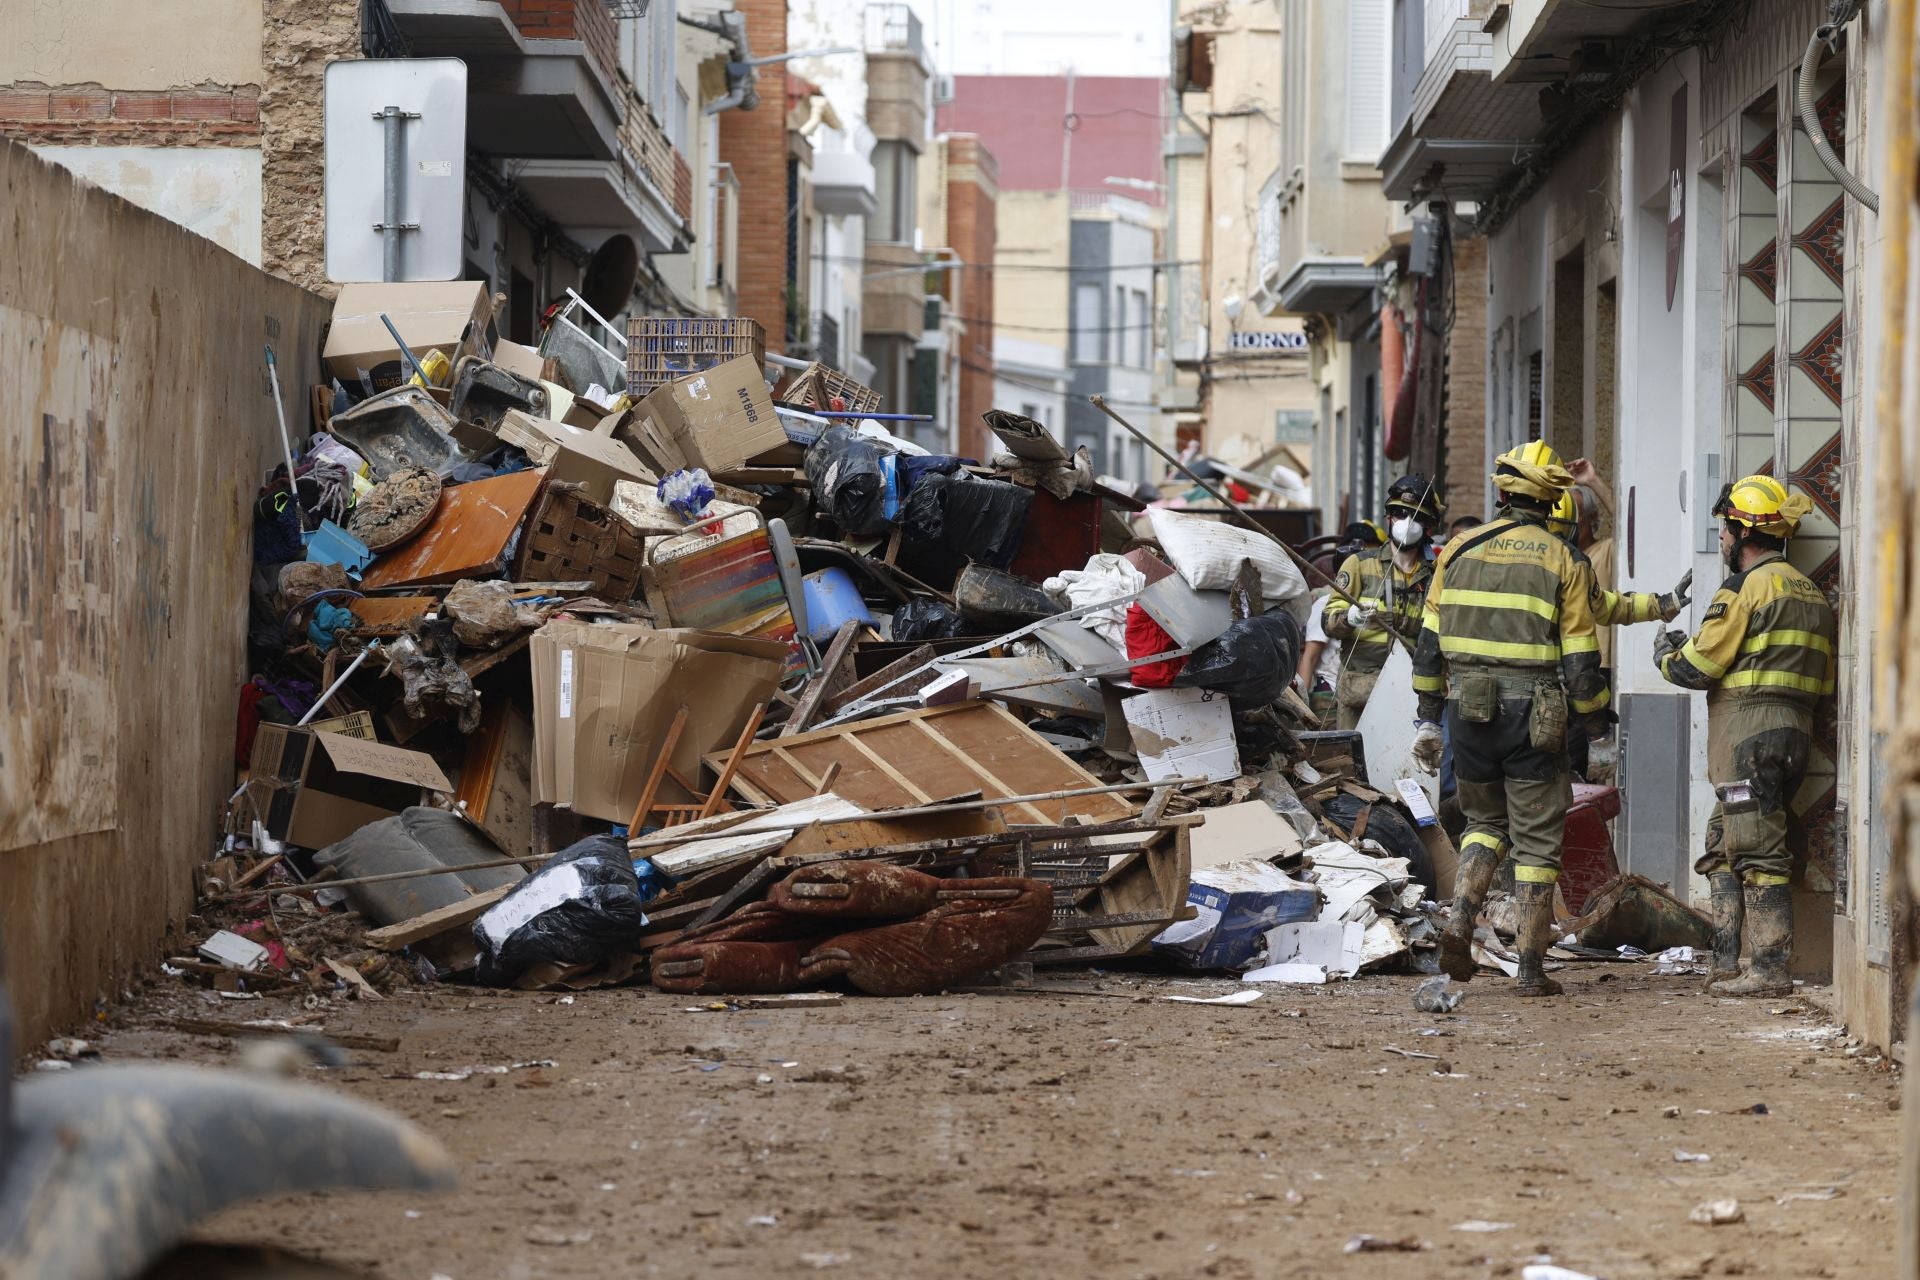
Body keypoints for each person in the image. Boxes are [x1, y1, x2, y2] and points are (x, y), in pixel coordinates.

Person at [1410, 439, 1607, 997]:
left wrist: (1428, 720)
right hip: (1534, 717)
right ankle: (1529, 968)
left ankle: (1458, 919)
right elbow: (1580, 663)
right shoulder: (1562, 558)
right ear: (1553, 501)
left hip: (1466, 714)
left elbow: (1429, 646)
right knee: (1538, 843)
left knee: (1484, 824)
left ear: (1501, 491)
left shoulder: (1457, 549)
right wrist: (1594, 726)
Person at [1653, 475, 1834, 997]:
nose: (1724, 543)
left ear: (1743, 531)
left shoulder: (1746, 588)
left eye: (1726, 532)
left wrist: (1665, 653)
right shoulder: (1811, 594)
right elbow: (1820, 683)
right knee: (1721, 841)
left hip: (1748, 739)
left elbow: (1698, 668)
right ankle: (1726, 961)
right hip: (1793, 734)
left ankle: (1770, 968)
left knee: (1756, 848)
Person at [1544, 478, 1690, 781]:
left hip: (1593, 668)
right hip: (1556, 672)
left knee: (1575, 759)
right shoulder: (1553, 561)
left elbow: (1627, 528)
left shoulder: (1603, 552)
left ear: (1589, 521)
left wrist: (1596, 481)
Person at [1322, 475, 1444, 729]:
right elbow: (1328, 623)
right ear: (1389, 517)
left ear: (1428, 525)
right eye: (1399, 513)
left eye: (1416, 517)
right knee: (1353, 763)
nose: (1407, 522)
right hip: (1360, 691)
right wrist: (1350, 618)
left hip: (1411, 693)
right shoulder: (1358, 565)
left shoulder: (1436, 575)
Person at [1295, 524, 1379, 721]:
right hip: (1330, 695)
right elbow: (1310, 657)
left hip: (1366, 689)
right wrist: (1302, 707)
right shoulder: (1325, 605)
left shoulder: (1372, 605)